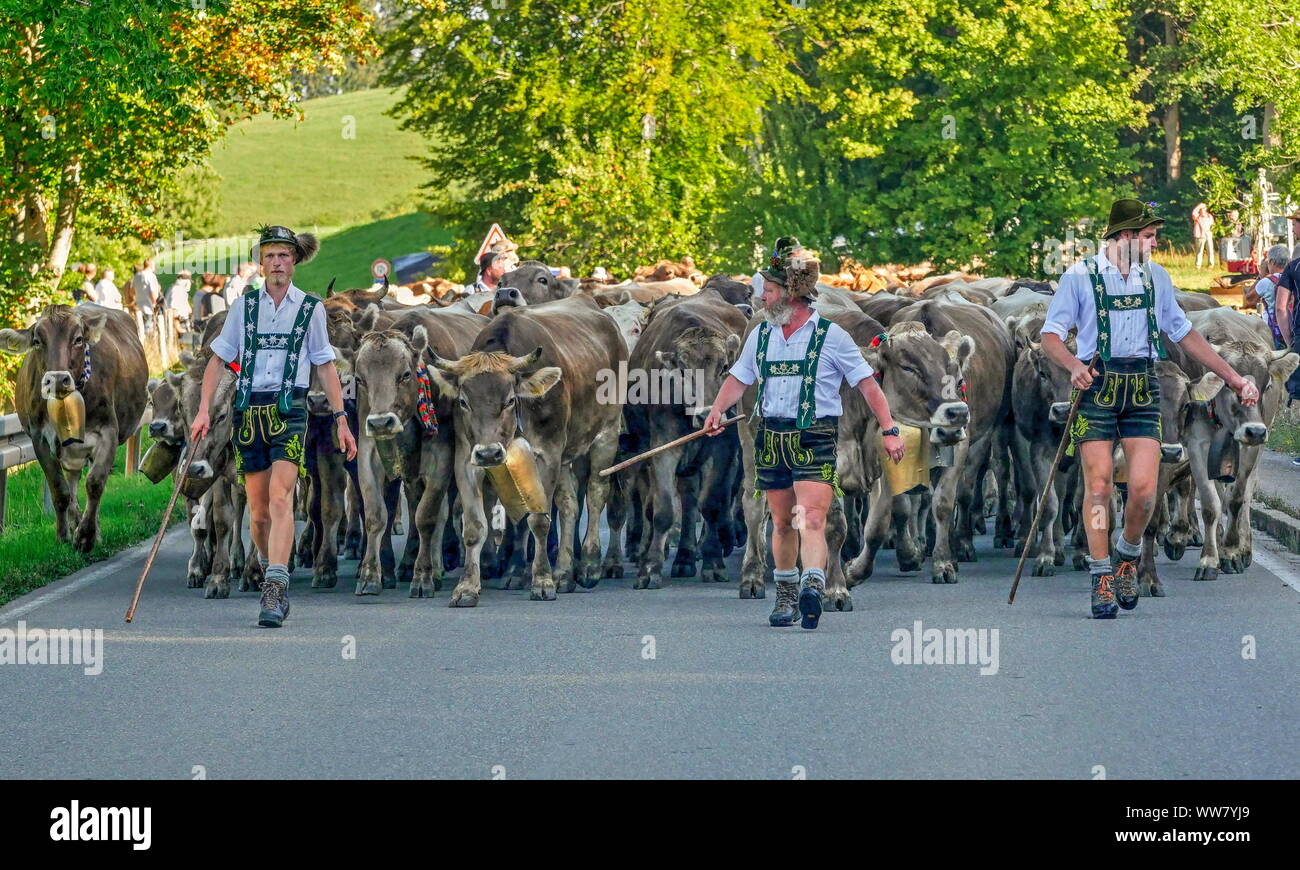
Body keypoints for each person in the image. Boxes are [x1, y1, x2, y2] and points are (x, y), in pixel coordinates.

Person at [1040, 198, 1260, 619]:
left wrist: (1233, 378)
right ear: (1124, 236)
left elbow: (1184, 333)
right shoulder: (1080, 276)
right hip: (1098, 387)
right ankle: (1102, 576)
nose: (1155, 242)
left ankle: (1127, 553)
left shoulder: (1156, 277)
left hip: (1144, 386)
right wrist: (1072, 367)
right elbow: (1050, 335)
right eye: (1148, 235)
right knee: (1100, 488)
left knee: (1143, 492)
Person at [702, 236, 906, 630]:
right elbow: (739, 379)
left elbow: (868, 385)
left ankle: (813, 584)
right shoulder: (760, 336)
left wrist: (890, 430)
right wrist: (716, 410)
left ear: (791, 296)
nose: (763, 298)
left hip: (815, 435)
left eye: (770, 292)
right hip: (771, 435)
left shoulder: (831, 336)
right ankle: (786, 595)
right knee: (781, 522)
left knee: (811, 517)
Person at [191, 226, 356, 628]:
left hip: (290, 410)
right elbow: (218, 360)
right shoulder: (244, 307)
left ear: (294, 262)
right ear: (261, 263)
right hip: (249, 412)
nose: (277, 263)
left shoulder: (311, 309)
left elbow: (324, 365)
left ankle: (276, 589)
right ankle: (271, 567)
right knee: (260, 514)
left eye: (284, 256)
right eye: (270, 256)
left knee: (282, 499)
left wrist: (340, 419)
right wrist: (203, 410)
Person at [1251, 246, 1289, 349]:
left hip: (1273, 332)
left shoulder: (1266, 282)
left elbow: (1249, 300)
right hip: (1292, 328)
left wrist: (1261, 275)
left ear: (1272, 262)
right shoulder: (1293, 276)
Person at [132, 257, 162, 333]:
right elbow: (153, 292)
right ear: (151, 265)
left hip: (138, 306)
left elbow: (131, 292)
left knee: (139, 329)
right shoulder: (151, 276)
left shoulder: (137, 275)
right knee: (148, 330)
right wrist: (155, 303)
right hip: (148, 307)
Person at [166, 270, 193, 338]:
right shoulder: (177, 290)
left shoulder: (179, 290)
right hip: (180, 326)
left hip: (184, 324)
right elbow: (173, 311)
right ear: (186, 282)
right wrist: (179, 329)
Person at [1191, 202, 1215, 268]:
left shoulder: (1210, 216)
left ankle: (1211, 265)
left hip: (1208, 235)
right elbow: (1194, 212)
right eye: (1201, 209)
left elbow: (1213, 225)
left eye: (1203, 208)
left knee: (1210, 251)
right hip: (1200, 236)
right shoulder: (1197, 216)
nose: (1202, 210)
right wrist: (1200, 205)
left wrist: (1211, 231)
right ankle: (1198, 266)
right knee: (1199, 251)